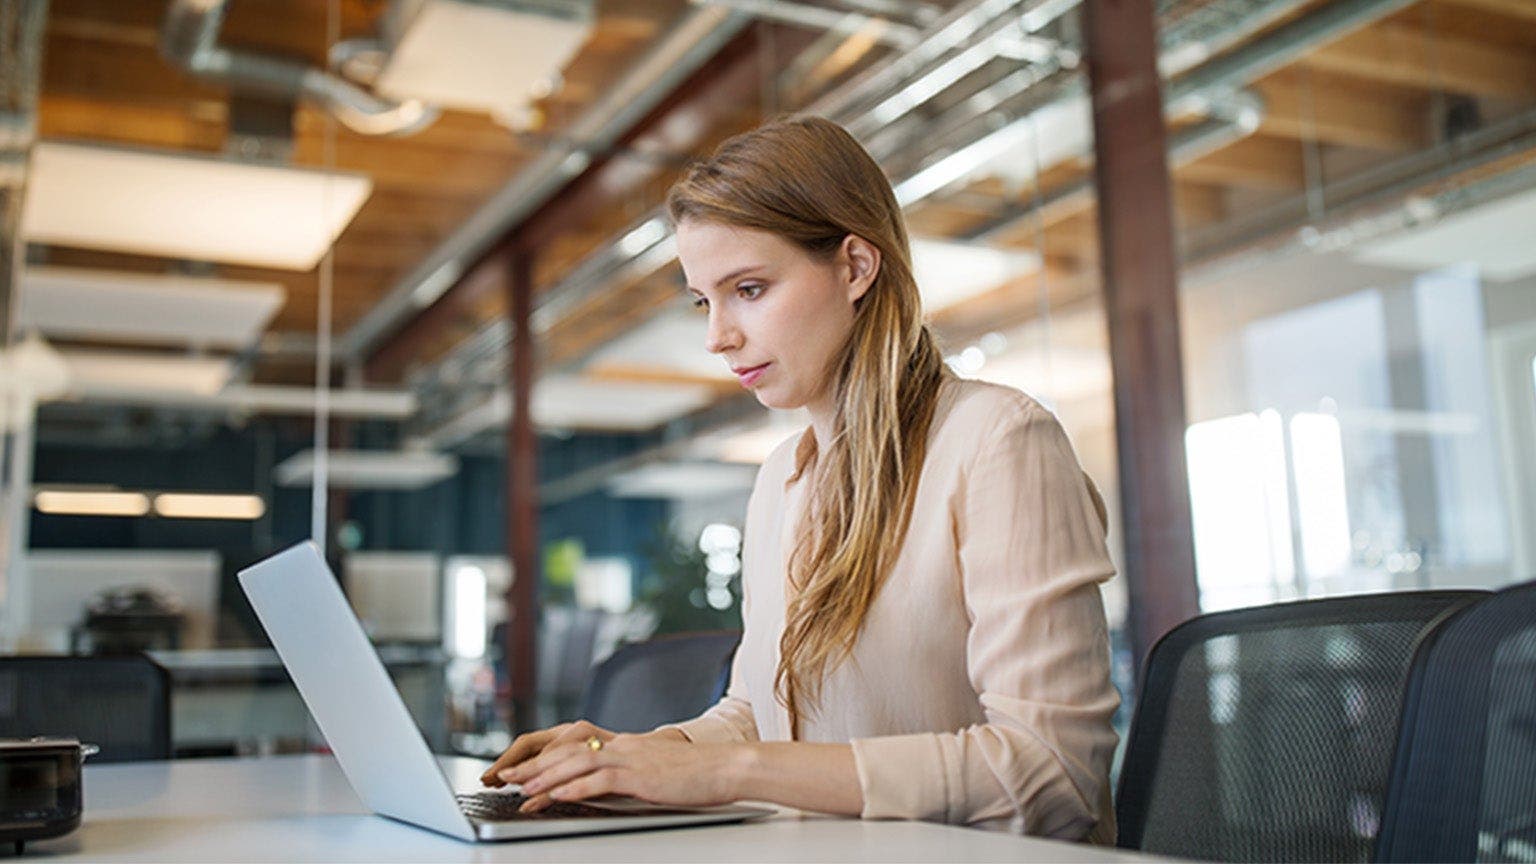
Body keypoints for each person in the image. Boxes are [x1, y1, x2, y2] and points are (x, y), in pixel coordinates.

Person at [480, 115, 1120, 841]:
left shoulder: (998, 442)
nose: (717, 336)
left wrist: (730, 773)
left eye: (748, 289)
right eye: (704, 300)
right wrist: (631, 757)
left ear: (854, 266)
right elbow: (757, 712)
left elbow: (1052, 772)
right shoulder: (784, 477)